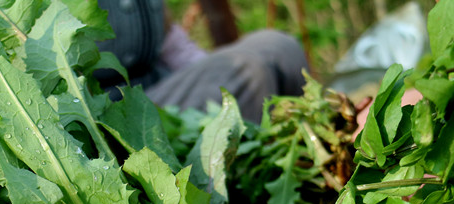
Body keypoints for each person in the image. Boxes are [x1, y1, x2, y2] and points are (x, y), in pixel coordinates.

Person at [95, 0, 309, 123]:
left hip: (163, 91)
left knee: (281, 47)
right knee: (248, 73)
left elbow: (173, 46)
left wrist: (214, 71)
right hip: (109, 120)